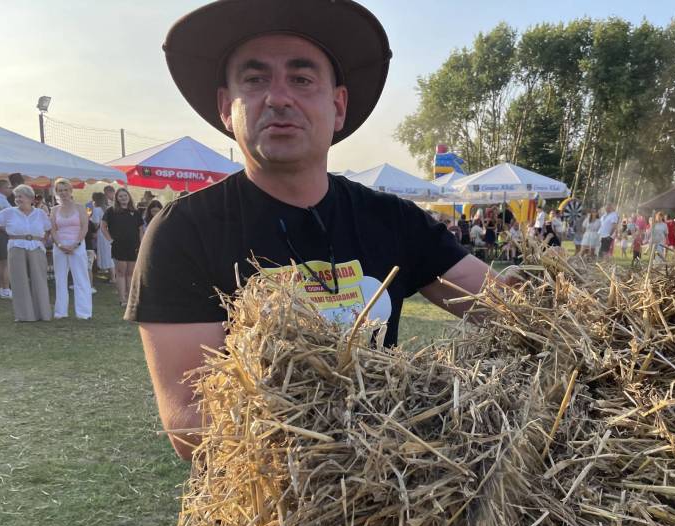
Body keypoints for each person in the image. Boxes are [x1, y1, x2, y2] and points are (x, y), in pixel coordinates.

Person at [128, 0, 509, 465]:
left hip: (389, 491)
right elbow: (190, 424)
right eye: (255, 80)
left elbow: (513, 311)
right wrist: (344, 437)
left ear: (338, 105)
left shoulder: (394, 220)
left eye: (302, 79)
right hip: (267, 500)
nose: (278, 97)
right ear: (227, 108)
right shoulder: (183, 232)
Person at [0, 184, 53, 322]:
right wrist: (5, 229)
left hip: (36, 246)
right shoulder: (9, 212)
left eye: (20, 196)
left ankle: (43, 313)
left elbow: (49, 227)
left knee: (39, 279)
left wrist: (44, 239)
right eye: (16, 197)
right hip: (16, 246)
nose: (18, 199)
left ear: (30, 198)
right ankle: (24, 315)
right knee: (19, 280)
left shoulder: (40, 213)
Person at [50, 178, 93, 319]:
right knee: (60, 279)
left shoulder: (80, 208)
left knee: (81, 278)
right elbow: (53, 230)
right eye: (60, 190)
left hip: (77, 246)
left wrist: (76, 244)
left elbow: (84, 227)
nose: (63, 193)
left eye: (65, 190)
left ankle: (84, 313)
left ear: (70, 191)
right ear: (56, 192)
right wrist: (60, 245)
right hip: (60, 247)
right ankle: (61, 312)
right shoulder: (54, 210)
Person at [102, 187, 143, 306]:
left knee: (130, 273)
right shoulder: (111, 211)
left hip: (134, 246)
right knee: (120, 272)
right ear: (117, 198)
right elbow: (103, 227)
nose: (123, 198)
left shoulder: (136, 212)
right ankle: (122, 299)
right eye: (120, 196)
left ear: (129, 197)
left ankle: (130, 299)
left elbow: (141, 230)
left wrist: (141, 244)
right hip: (118, 246)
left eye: (125, 195)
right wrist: (110, 240)